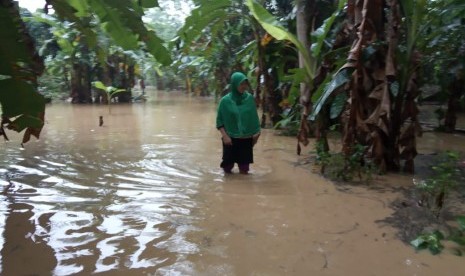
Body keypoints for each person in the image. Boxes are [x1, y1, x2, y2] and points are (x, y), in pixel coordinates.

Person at [216, 72, 261, 174]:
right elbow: (219, 121)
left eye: (245, 83)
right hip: (230, 139)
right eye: (241, 84)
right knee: (227, 168)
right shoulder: (225, 101)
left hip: (246, 140)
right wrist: (225, 136)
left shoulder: (249, 99)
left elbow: (254, 118)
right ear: (234, 84)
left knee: (244, 170)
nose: (244, 86)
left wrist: (257, 135)